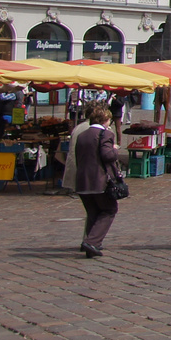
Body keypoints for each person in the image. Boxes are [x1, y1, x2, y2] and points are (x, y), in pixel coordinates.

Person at [62, 106, 123, 258]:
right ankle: (92, 242)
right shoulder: (105, 134)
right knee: (109, 209)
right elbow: (107, 155)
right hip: (99, 179)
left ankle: (90, 243)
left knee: (93, 212)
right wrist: (115, 149)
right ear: (105, 120)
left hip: (82, 180)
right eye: (109, 120)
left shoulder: (82, 134)